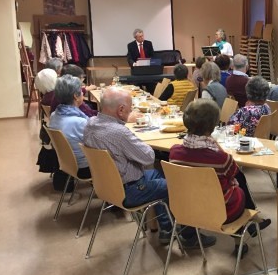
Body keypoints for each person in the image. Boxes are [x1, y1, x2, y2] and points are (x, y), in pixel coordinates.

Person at [83, 87, 216, 248]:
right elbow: (148, 157)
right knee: (181, 184)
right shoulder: (119, 133)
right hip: (129, 190)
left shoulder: (90, 123)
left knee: (158, 174)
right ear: (121, 110)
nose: (131, 112)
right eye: (130, 109)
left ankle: (166, 229)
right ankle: (190, 237)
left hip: (107, 186)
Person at [169, 99, 271, 257]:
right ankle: (239, 239)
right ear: (213, 126)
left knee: (230, 185)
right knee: (238, 190)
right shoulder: (221, 159)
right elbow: (233, 172)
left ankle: (249, 225)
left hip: (187, 208)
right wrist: (216, 144)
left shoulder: (174, 153)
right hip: (221, 212)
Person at [48, 75, 91, 180]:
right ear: (76, 96)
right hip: (84, 168)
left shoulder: (54, 115)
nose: (83, 94)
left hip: (66, 164)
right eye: (81, 91)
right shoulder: (80, 122)